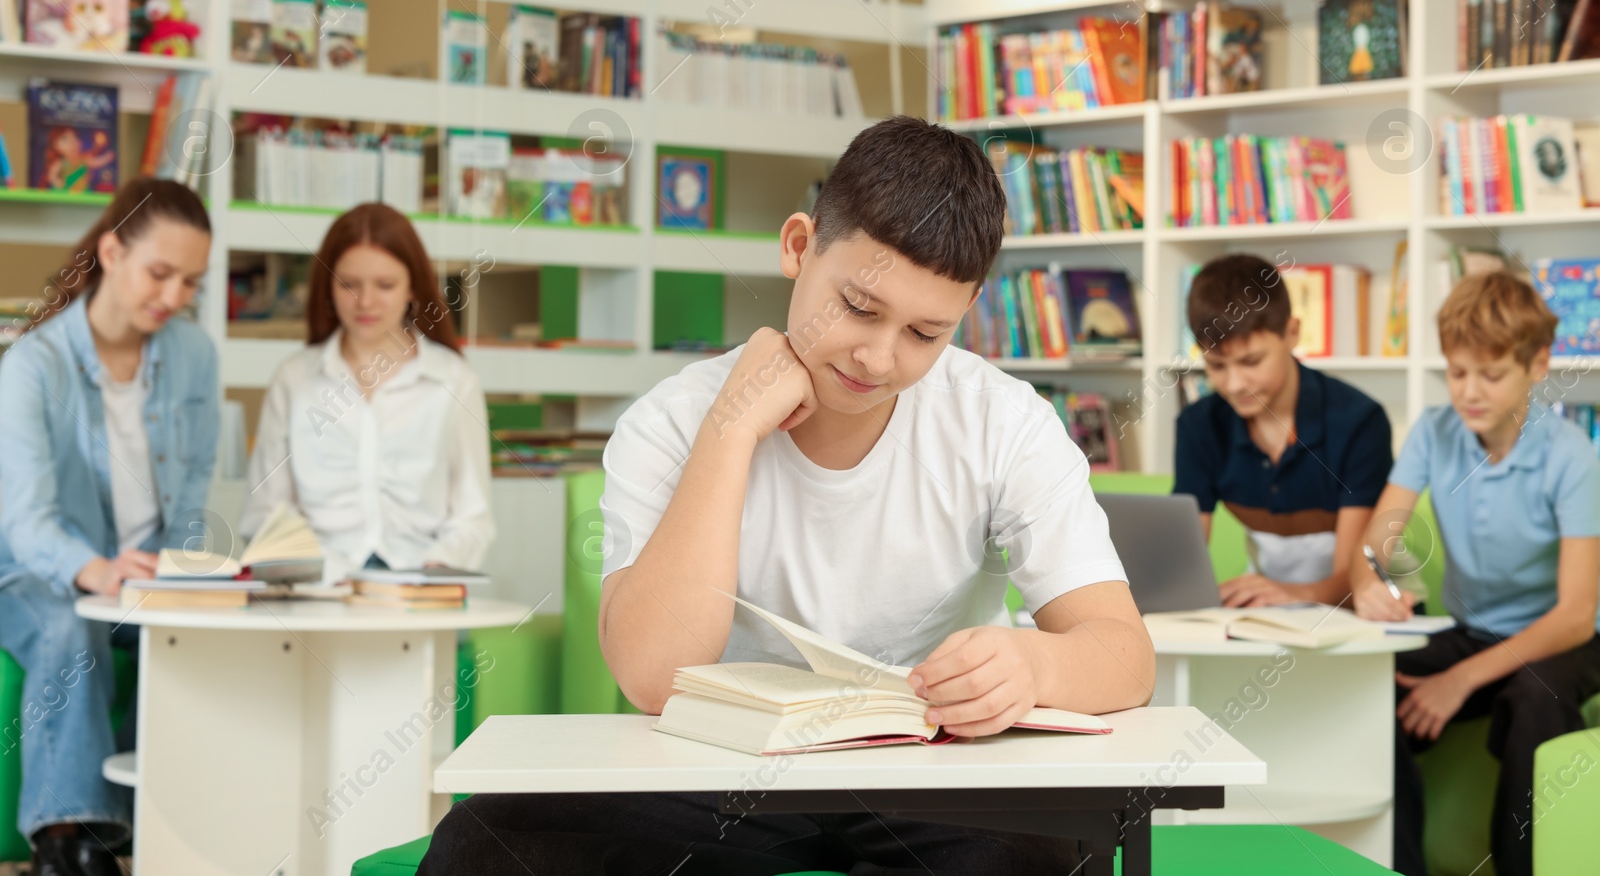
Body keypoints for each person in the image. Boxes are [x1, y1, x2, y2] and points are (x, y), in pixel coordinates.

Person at [420, 115, 1154, 875]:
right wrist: (731, 433)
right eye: (860, 308)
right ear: (798, 246)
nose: (878, 357)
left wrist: (1035, 668)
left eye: (925, 333)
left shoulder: (1004, 420)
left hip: (935, 771)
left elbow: (1124, 654)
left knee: (1039, 860)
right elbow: (649, 674)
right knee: (487, 845)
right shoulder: (668, 421)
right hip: (721, 768)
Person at [0, 179, 217, 876]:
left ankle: (137, 824)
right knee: (72, 622)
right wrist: (95, 569)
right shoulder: (33, 364)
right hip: (32, 570)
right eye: (161, 272)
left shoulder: (194, 356)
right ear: (112, 250)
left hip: (142, 569)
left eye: (191, 281)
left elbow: (192, 489)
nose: (174, 295)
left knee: (193, 634)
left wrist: (186, 573)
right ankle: (64, 839)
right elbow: (27, 521)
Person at [1351, 271, 1600, 876]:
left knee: (1533, 700)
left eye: (1490, 375)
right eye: (1457, 372)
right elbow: (1382, 535)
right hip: (1472, 629)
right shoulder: (1434, 433)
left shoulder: (1572, 457)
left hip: (1561, 640)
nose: (1469, 391)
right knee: (1360, 684)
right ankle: (1395, 866)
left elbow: (1574, 616)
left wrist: (1459, 680)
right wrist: (1366, 581)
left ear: (1538, 364)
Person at [240, 202, 493, 579]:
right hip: (318, 586)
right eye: (349, 284)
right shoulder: (294, 379)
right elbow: (267, 511)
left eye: (385, 285)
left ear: (412, 287)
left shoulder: (454, 380)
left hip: (420, 587)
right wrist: (319, 571)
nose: (366, 302)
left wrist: (434, 570)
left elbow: (472, 516)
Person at [1174, 253, 1405, 607]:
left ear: (1292, 333)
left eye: (1251, 361)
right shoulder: (1198, 426)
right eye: (1216, 365)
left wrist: (1291, 595)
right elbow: (1182, 564)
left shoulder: (1359, 422)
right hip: (1270, 614)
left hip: (1369, 610)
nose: (1235, 384)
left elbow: (1355, 579)